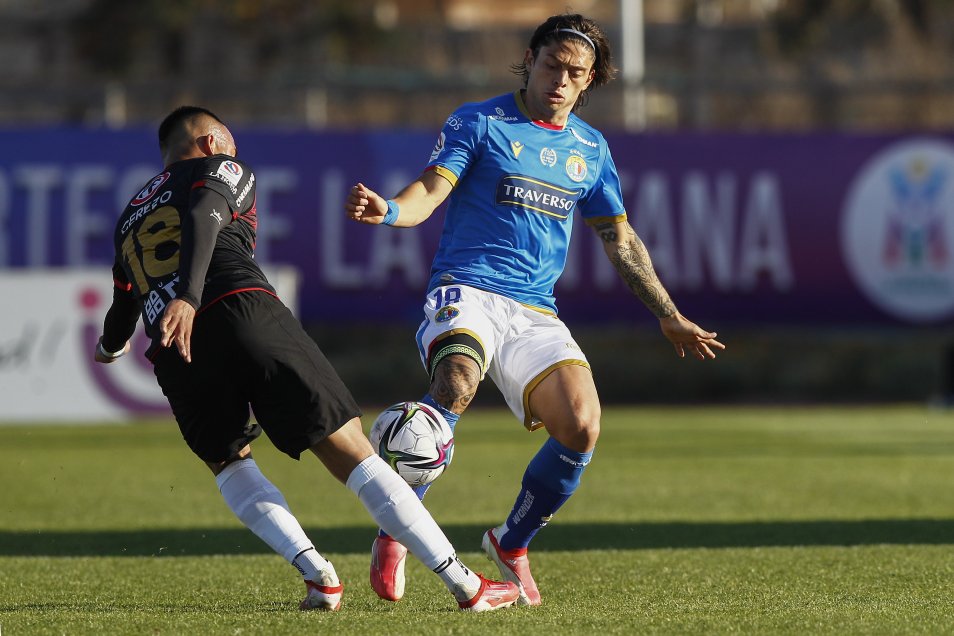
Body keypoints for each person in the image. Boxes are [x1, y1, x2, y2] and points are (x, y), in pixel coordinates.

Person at [345, 13, 725, 607]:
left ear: (590, 81)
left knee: (582, 425)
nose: (561, 80)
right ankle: (399, 521)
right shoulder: (480, 120)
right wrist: (390, 212)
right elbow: (430, 191)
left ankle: (510, 542)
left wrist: (667, 312)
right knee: (456, 383)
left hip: (534, 312)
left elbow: (619, 239)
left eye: (576, 73)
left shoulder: (590, 149)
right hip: (466, 289)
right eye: (552, 65)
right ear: (530, 59)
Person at [94, 105, 519, 613]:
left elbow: (124, 299)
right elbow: (205, 210)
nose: (236, 150)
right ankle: (466, 586)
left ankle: (317, 575)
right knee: (350, 450)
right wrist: (189, 294)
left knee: (228, 463)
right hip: (237, 306)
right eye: (229, 140)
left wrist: (110, 345)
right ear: (210, 143)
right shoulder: (219, 170)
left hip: (174, 344)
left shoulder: (128, 219)